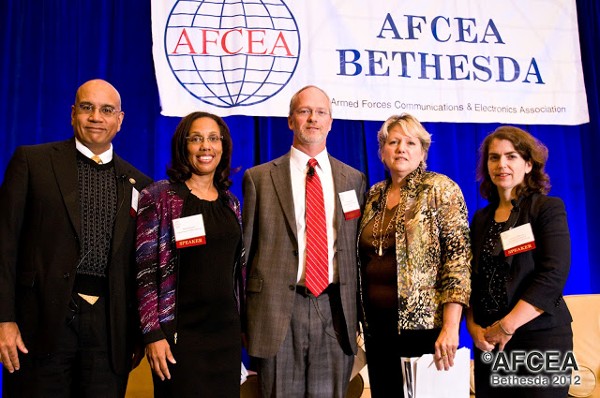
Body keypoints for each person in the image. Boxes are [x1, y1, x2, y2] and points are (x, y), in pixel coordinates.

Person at [0, 79, 152, 397]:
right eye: (87, 107)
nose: (96, 117)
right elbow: (5, 244)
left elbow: (142, 269)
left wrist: (138, 335)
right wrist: (4, 320)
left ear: (120, 120)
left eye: (107, 110)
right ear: (73, 114)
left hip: (109, 334)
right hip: (38, 326)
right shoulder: (32, 162)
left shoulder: (140, 184)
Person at [243, 85, 366, 397]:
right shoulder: (259, 178)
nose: (313, 118)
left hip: (334, 309)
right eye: (304, 111)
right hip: (277, 311)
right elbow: (244, 256)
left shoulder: (353, 179)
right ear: (290, 121)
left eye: (320, 112)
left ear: (331, 122)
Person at [357, 113, 472, 397]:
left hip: (424, 328)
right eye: (393, 142)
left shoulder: (440, 189)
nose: (401, 149)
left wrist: (450, 327)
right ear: (382, 152)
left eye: (410, 142)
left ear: (423, 151)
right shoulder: (374, 195)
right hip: (377, 327)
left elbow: (458, 261)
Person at [135, 111, 245, 397]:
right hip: (179, 338)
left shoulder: (230, 203)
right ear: (184, 146)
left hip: (225, 337)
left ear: (223, 146)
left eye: (212, 138)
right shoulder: (158, 197)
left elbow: (235, 272)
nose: (205, 146)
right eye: (196, 139)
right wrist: (152, 333)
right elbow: (144, 273)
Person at [466, 126, 573, 398]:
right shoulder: (481, 219)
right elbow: (471, 279)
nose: (501, 164)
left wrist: (506, 326)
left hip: (540, 339)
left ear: (528, 164)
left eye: (511, 156)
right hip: (490, 343)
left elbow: (553, 276)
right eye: (494, 157)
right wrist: (474, 328)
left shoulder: (547, 209)